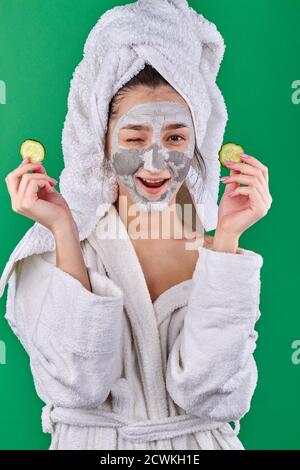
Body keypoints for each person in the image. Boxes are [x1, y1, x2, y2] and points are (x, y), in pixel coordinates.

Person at [0, 0, 272, 450]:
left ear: (198, 138)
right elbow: (78, 387)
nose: (155, 161)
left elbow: (213, 396)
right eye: (134, 138)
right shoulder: (54, 248)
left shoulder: (217, 250)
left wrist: (226, 240)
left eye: (175, 138)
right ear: (100, 141)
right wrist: (65, 231)